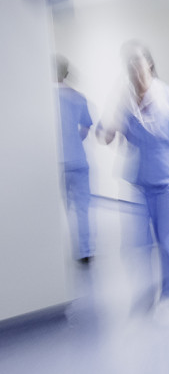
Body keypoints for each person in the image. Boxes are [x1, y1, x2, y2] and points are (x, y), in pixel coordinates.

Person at [96, 41, 169, 322]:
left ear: (150, 65)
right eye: (129, 66)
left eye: (139, 64)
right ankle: (155, 284)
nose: (135, 70)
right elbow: (106, 137)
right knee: (138, 244)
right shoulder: (125, 104)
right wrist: (114, 107)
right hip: (139, 182)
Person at [55, 55, 94, 264]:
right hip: (78, 160)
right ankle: (85, 252)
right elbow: (86, 126)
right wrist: (73, 140)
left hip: (56, 164)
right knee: (82, 209)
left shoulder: (44, 98)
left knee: (59, 209)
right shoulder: (78, 97)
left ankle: (56, 254)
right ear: (66, 72)